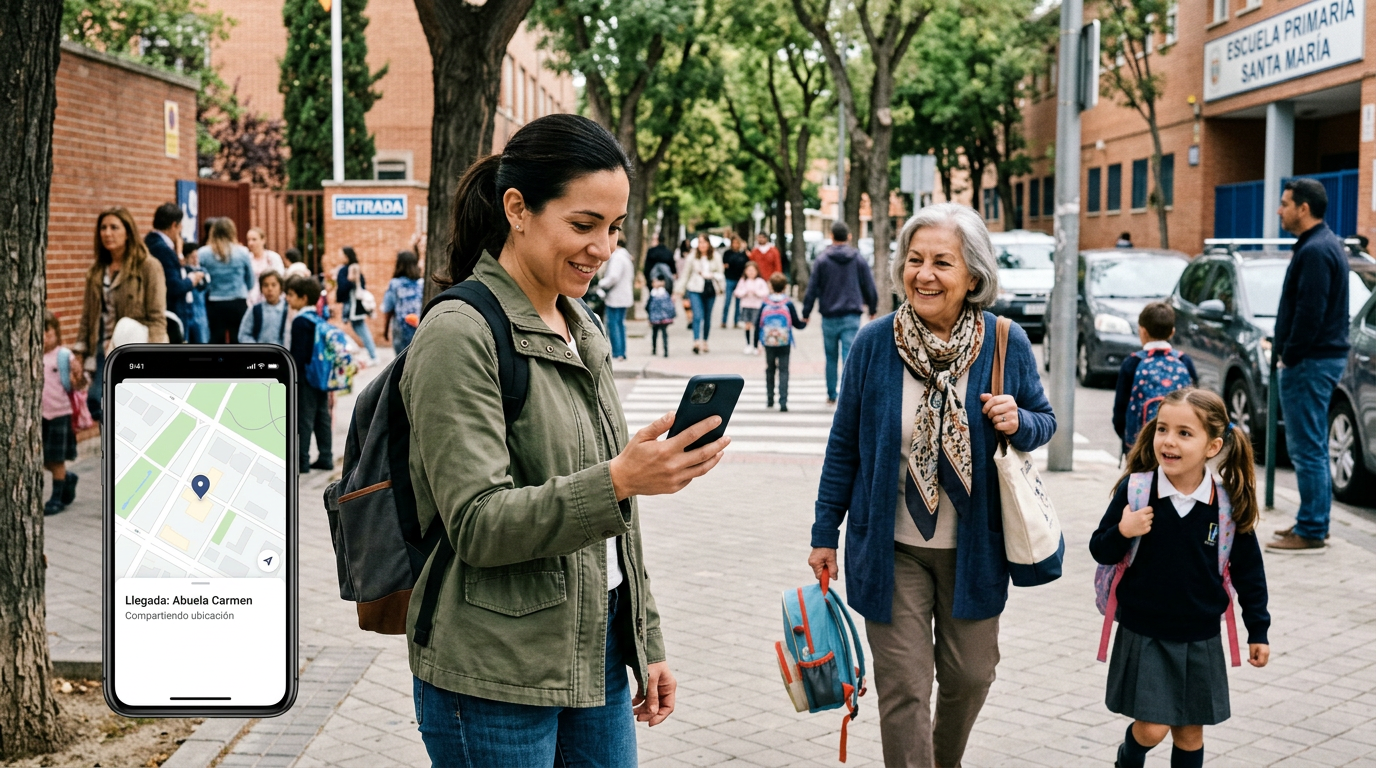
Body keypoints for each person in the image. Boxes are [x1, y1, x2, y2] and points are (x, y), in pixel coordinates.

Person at [401, 113, 728, 764]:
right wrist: (619, 480)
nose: (602, 248)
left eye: (612, 228)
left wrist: (646, 640)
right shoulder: (459, 334)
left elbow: (614, 519)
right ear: (517, 209)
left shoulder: (581, 326)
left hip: (595, 650)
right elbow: (476, 522)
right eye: (583, 225)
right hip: (494, 669)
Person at [808, 203, 1056, 767]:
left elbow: (1044, 421)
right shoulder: (875, 344)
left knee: (971, 676)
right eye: (914, 260)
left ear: (973, 275)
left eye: (941, 262)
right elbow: (844, 444)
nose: (923, 273)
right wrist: (825, 532)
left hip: (974, 550)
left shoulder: (1003, 342)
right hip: (891, 549)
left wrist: (1019, 421)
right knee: (904, 690)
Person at [1090, 388, 1270, 768]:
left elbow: (1249, 573)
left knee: (1190, 733)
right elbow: (1100, 549)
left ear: (1213, 445)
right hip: (1147, 632)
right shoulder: (1137, 491)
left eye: (1184, 433)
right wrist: (1123, 530)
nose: (1168, 441)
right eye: (1162, 430)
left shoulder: (1226, 504)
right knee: (1152, 728)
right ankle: (1129, 757)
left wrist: (1259, 630)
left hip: (1201, 635)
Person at [1268, 178, 1349, 552]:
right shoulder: (1320, 245)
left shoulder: (1316, 250)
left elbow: (1309, 312)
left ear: (1304, 208)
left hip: (1311, 362)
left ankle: (1313, 529)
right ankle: (1312, 520)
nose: (1280, 210)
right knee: (1310, 444)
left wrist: (1290, 354)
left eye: (1285, 203)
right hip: (1316, 359)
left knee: (1307, 447)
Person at [73, 207, 169, 423]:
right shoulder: (96, 271)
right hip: (101, 348)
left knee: (126, 408)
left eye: (114, 227)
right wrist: (79, 353)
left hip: (134, 345)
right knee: (97, 403)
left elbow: (157, 318)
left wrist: (153, 357)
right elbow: (87, 317)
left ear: (128, 232)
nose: (107, 233)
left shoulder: (148, 266)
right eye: (103, 228)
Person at [803, 220, 878, 404]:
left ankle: (831, 394)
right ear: (849, 237)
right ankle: (848, 395)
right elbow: (869, 285)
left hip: (829, 316)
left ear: (831, 236)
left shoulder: (822, 260)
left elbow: (812, 288)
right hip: (851, 315)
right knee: (848, 356)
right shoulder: (858, 258)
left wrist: (806, 312)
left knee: (830, 357)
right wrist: (873, 308)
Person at [1112, 302, 1199, 455]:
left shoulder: (1133, 363)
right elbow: (1197, 402)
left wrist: (1127, 441)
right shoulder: (1184, 361)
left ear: (1142, 331)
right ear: (1172, 332)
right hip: (1178, 447)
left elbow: (1120, 410)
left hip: (1140, 447)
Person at [285, 275, 333, 473]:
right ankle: (326, 457)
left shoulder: (299, 322)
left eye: (291, 295)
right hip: (321, 376)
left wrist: (291, 377)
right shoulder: (318, 318)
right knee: (322, 417)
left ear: (303, 298)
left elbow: (298, 354)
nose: (287, 298)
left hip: (305, 377)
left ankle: (301, 462)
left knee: (303, 419)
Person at [42, 311, 82, 516]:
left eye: (46, 330)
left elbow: (79, 382)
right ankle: (67, 477)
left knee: (56, 459)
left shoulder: (63, 355)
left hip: (60, 414)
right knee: (43, 459)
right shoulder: (32, 355)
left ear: (56, 331)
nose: (42, 335)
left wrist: (78, 375)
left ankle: (56, 498)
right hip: (41, 416)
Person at [145, 202, 204, 335]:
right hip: (170, 313)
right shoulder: (162, 249)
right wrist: (191, 280)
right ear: (174, 225)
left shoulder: (153, 243)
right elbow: (173, 285)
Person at [197, 217, 255, 344]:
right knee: (238, 339)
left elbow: (200, 279)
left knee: (216, 339)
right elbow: (251, 280)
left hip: (214, 301)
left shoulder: (203, 253)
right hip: (238, 300)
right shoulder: (242, 252)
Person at [756, 272, 807, 411]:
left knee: (770, 369)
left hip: (769, 341)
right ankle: (783, 402)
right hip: (784, 341)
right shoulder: (788, 303)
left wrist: (756, 342)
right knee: (784, 370)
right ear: (785, 287)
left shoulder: (765, 302)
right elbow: (796, 323)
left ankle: (770, 399)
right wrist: (805, 322)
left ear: (770, 286)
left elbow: (757, 323)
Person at [335, 247, 379, 362]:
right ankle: (372, 354)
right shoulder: (353, 267)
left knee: (361, 328)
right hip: (355, 304)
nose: (339, 257)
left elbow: (343, 286)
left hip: (353, 305)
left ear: (346, 256)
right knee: (359, 328)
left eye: (341, 254)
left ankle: (373, 356)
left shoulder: (347, 269)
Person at [683, 234, 724, 354]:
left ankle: (705, 341)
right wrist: (679, 290)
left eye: (704, 242)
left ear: (708, 244)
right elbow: (686, 274)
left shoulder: (715, 256)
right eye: (700, 243)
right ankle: (696, 341)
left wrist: (711, 275)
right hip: (695, 288)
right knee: (697, 315)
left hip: (710, 289)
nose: (702, 245)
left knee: (707, 317)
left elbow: (721, 273)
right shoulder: (692, 256)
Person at [382, 250, 425, 355]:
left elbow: (388, 309)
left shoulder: (394, 284)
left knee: (401, 363)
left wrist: (385, 330)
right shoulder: (422, 283)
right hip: (419, 327)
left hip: (401, 330)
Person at [599, 238, 635, 361]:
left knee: (613, 324)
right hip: (624, 296)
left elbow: (613, 277)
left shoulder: (617, 258)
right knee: (620, 324)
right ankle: (622, 352)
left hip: (616, 297)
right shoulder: (626, 257)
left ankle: (617, 352)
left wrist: (601, 283)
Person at [237, 271, 289, 346]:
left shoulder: (288, 310)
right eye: (265, 285)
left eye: (274, 285)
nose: (270, 289)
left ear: (281, 288)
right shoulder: (255, 310)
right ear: (261, 288)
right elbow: (243, 334)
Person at [732, 261, 769, 353]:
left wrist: (756, 292)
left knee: (757, 326)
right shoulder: (743, 281)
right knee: (747, 325)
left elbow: (765, 293)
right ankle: (748, 344)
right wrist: (745, 292)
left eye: (753, 270)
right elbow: (737, 292)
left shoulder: (760, 281)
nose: (751, 273)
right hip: (746, 306)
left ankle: (757, 345)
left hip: (757, 306)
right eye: (749, 270)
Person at [246, 227, 286, 305]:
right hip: (250, 299)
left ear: (263, 240)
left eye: (254, 239)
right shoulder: (247, 258)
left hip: (270, 296)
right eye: (248, 240)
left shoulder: (273, 257)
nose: (250, 243)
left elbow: (279, 277)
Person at [182, 241, 211, 344]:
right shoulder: (183, 271)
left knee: (202, 340)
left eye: (196, 257)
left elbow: (206, 284)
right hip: (187, 312)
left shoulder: (203, 270)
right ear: (185, 258)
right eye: (192, 257)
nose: (195, 260)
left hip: (200, 313)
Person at [721, 234, 750, 328]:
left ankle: (736, 321)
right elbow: (725, 265)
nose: (735, 245)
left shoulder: (743, 254)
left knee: (738, 303)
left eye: (737, 243)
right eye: (734, 243)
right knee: (727, 301)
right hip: (729, 279)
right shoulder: (727, 253)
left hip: (740, 280)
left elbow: (746, 264)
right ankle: (724, 321)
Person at [646, 276, 676, 357]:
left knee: (663, 333)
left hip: (662, 317)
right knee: (656, 333)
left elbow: (669, 306)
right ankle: (655, 348)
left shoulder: (662, 294)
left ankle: (665, 350)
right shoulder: (654, 294)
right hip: (657, 317)